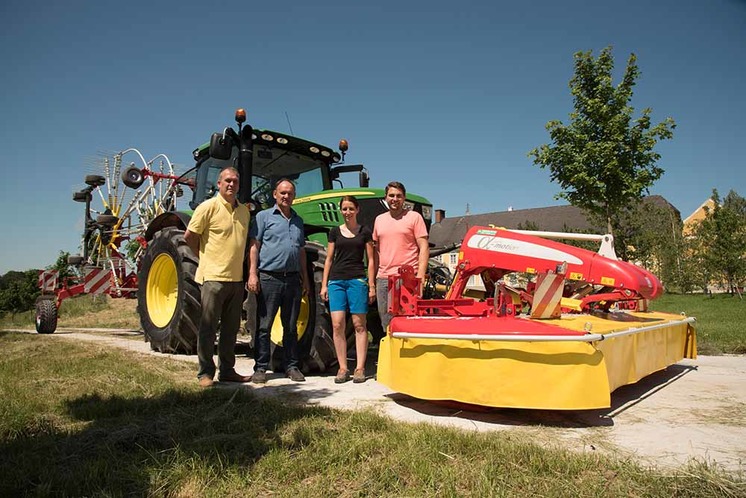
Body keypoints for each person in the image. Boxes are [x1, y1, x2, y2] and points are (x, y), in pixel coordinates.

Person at [184, 166, 253, 388]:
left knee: (231, 329)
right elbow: (190, 237)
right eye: (227, 181)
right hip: (213, 277)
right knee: (208, 327)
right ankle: (204, 373)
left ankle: (227, 370)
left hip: (236, 279)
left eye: (235, 181)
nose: (231, 184)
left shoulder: (244, 211)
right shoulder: (208, 207)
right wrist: (202, 257)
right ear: (219, 183)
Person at [247, 178, 311, 383]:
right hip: (269, 277)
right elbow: (254, 246)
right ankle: (261, 368)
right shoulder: (263, 217)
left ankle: (291, 366)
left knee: (290, 326)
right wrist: (252, 273)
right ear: (275, 194)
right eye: (282, 193)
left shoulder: (298, 220)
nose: (286, 196)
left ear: (294, 196)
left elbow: (301, 252)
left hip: (292, 279)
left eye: (290, 193)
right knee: (264, 325)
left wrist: (306, 279)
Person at [320, 196, 376, 384]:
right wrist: (323, 284)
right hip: (336, 281)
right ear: (340, 210)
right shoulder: (334, 232)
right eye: (344, 209)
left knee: (359, 325)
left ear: (357, 210)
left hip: (357, 280)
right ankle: (343, 368)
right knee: (337, 324)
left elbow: (371, 260)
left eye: (351, 208)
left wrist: (371, 286)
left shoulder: (364, 231)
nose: (347, 212)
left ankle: (359, 368)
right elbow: (328, 259)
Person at [373, 181, 429, 332]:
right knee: (386, 324)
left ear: (404, 198)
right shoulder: (379, 220)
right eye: (391, 195)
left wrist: (421, 275)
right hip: (384, 278)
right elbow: (376, 252)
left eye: (398, 196)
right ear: (385, 198)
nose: (395, 199)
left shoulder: (414, 217)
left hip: (407, 278)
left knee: (408, 322)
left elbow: (423, 247)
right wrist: (372, 280)